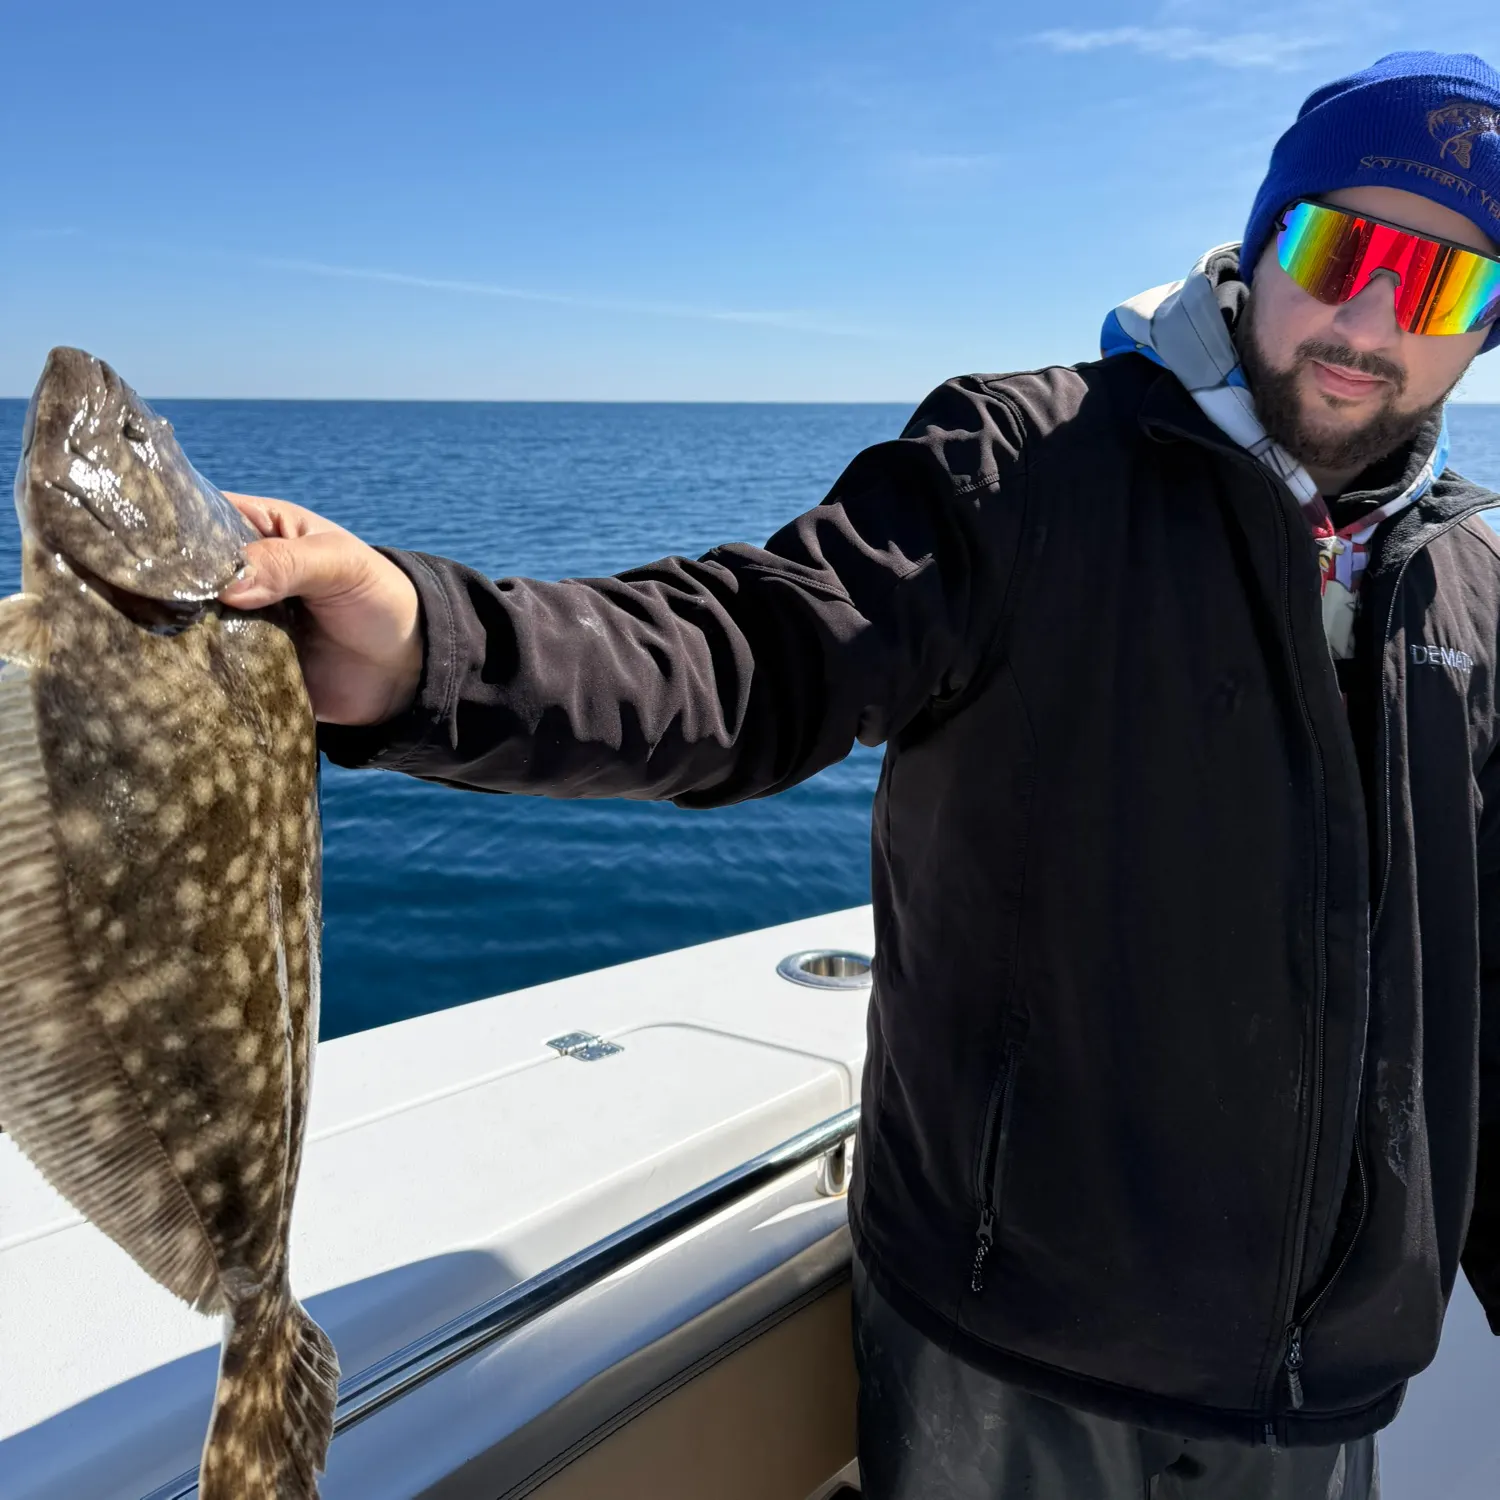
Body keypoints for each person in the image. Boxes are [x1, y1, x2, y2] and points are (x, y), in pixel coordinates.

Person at [220, 51, 1500, 1500]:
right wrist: (424, 648)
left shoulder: (1469, 587)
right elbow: (751, 656)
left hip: (1318, 1391)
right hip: (1012, 1345)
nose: (1377, 315)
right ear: (1264, 240)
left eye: (1444, 285)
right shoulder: (1025, 466)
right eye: (1343, 248)